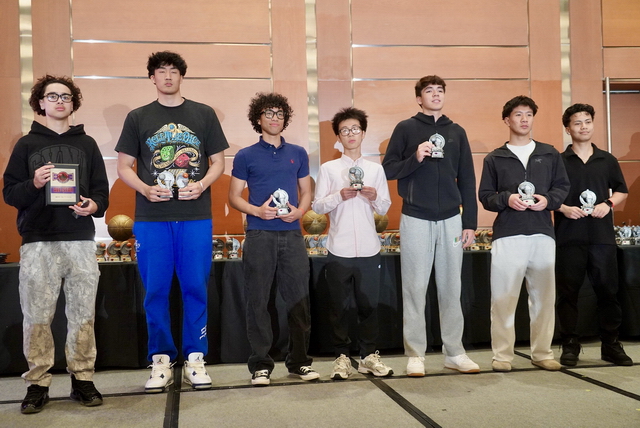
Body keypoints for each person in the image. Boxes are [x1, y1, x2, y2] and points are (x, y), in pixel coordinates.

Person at [115, 51, 228, 393]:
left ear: (182, 76)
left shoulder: (204, 114)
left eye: (174, 71)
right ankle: (161, 359)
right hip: (152, 217)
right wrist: (145, 189)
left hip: (195, 216)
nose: (167, 76)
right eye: (161, 71)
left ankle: (195, 357)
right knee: (156, 290)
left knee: (195, 287)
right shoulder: (138, 117)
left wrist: (202, 184)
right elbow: (123, 167)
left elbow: (218, 162)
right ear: (152, 77)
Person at [3, 75, 109, 413]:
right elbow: (10, 194)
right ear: (40, 103)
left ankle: (83, 379)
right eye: (52, 96)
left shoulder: (88, 144)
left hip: (80, 241)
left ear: (73, 103)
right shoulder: (26, 145)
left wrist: (93, 205)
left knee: (82, 315)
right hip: (38, 242)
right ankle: (37, 384)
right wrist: (34, 183)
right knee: (37, 317)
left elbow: (101, 192)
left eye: (65, 96)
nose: (59, 101)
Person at [382, 75, 480, 376]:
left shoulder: (457, 132)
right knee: (414, 287)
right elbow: (388, 169)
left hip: (451, 219)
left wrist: (469, 222)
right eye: (429, 91)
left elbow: (467, 179)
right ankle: (415, 354)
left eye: (440, 90)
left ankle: (455, 352)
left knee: (451, 286)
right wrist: (415, 157)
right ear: (419, 98)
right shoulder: (405, 128)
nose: (435, 95)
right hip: (415, 217)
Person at [228, 92, 319, 386]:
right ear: (258, 118)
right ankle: (260, 365)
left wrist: (300, 211)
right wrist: (257, 211)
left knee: (299, 300)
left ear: (285, 118)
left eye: (279, 113)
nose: (274, 118)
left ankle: (299, 361)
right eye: (268, 113)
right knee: (258, 300)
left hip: (292, 235)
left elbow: (306, 191)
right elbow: (234, 197)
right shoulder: (245, 155)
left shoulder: (298, 153)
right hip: (259, 234)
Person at [478, 95, 570, 372]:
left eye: (529, 114)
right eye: (518, 114)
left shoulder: (549, 153)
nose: (524, 119)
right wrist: (506, 199)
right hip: (508, 234)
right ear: (507, 120)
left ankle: (542, 353)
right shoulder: (495, 157)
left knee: (543, 299)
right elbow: (485, 196)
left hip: (542, 232)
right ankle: (502, 356)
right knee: (503, 298)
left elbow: (562, 187)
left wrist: (548, 201)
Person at [312, 107, 393, 379]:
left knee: (369, 306)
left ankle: (369, 356)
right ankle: (342, 358)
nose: (350, 134)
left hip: (370, 248)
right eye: (345, 130)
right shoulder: (329, 169)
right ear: (338, 137)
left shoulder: (375, 169)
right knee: (338, 308)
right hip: (339, 247)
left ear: (363, 133)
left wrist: (373, 196)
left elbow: (385, 206)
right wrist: (339, 195)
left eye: (355, 129)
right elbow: (317, 206)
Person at [554, 103, 632, 366]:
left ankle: (610, 344)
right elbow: (548, 196)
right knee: (568, 294)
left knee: (608, 292)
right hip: (568, 237)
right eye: (577, 122)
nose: (583, 126)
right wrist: (564, 208)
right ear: (568, 129)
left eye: (587, 121)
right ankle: (570, 345)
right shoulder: (558, 161)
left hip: (601, 238)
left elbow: (621, 191)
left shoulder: (607, 159)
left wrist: (607, 204)